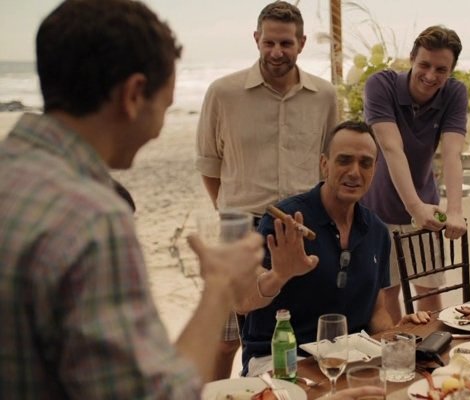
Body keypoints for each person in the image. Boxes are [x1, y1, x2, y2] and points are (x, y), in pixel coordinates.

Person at [0, 0, 307, 397]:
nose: (161, 126)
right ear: (134, 95)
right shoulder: (93, 219)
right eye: (166, 103)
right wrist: (219, 288)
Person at [195, 0, 338, 378]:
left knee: (293, 328)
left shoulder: (324, 96)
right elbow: (209, 165)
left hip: (300, 228)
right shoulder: (222, 93)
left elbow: (328, 163)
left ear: (301, 43)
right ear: (256, 38)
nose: (277, 52)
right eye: (269, 42)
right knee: (226, 338)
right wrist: (229, 215)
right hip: (240, 229)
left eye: (286, 43)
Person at [240, 120, 431, 376]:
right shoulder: (286, 221)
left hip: (349, 361)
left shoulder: (376, 231)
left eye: (365, 163)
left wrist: (396, 334)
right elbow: (241, 301)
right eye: (344, 160)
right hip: (279, 360)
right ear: (324, 164)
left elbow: (376, 312)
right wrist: (279, 275)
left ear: (375, 170)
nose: (354, 172)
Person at [361, 25, 468, 321]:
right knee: (387, 295)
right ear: (411, 58)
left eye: (441, 69)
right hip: (378, 208)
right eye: (425, 65)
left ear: (451, 71)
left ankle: (431, 350)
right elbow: (391, 148)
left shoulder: (454, 93)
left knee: (429, 292)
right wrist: (414, 207)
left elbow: (452, 153)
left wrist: (455, 210)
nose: (431, 75)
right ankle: (399, 349)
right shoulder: (380, 85)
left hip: (426, 206)